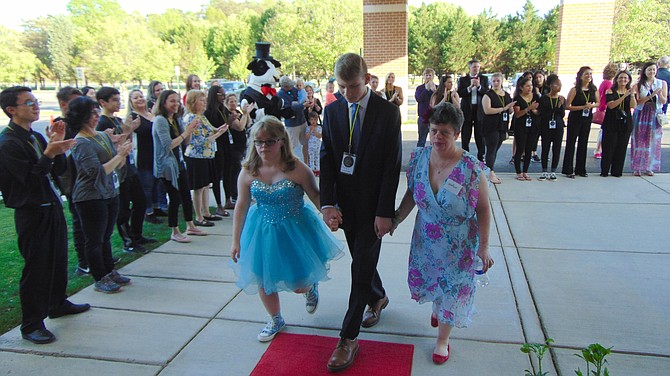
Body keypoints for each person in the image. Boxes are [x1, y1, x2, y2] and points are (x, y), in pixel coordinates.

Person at [392, 102, 492, 365]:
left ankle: (443, 339)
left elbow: (483, 209)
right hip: (425, 239)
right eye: (434, 130)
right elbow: (413, 194)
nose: (437, 137)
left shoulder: (471, 169)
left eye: (445, 132)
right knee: (432, 282)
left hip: (459, 245)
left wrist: (484, 247)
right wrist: (396, 219)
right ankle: (440, 307)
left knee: (452, 289)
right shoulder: (420, 159)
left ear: (457, 134)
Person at [320, 53, 402, 372]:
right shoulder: (333, 110)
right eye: (341, 87)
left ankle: (348, 337)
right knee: (362, 261)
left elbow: (391, 166)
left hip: (373, 208)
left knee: (360, 270)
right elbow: (327, 158)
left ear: (366, 80)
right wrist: (328, 203)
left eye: (353, 86)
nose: (347, 93)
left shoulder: (387, 112)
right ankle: (378, 296)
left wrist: (385, 213)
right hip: (345, 206)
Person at [230, 116, 343, 342]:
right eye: (258, 142)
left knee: (299, 283)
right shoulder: (249, 170)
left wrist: (330, 214)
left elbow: (316, 197)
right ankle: (275, 319)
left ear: (281, 141)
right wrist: (236, 240)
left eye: (269, 141)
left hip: (296, 230)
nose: (263, 147)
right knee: (264, 278)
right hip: (262, 231)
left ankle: (310, 288)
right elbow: (241, 205)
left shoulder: (297, 169)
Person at [0, 86, 90, 344]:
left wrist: (55, 147)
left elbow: (56, 170)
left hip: (50, 205)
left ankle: (57, 303)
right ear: (11, 110)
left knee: (58, 258)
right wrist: (50, 152)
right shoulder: (8, 143)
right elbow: (28, 179)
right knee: (36, 267)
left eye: (35, 101)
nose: (35, 106)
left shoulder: (34, 136)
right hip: (31, 212)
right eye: (28, 102)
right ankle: (31, 324)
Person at [69, 96, 134, 294]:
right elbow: (97, 172)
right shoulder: (80, 142)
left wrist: (122, 153)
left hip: (109, 192)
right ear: (81, 116)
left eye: (97, 112)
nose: (97, 116)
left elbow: (116, 165)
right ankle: (99, 276)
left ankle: (109, 270)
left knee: (106, 236)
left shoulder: (101, 136)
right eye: (92, 113)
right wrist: (119, 155)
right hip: (90, 196)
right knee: (94, 239)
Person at [96, 87, 148, 254]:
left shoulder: (117, 120)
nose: (118, 103)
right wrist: (127, 132)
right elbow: (110, 148)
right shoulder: (103, 123)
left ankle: (137, 234)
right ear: (103, 102)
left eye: (119, 99)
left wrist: (130, 130)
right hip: (119, 169)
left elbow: (126, 140)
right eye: (114, 100)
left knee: (140, 201)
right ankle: (128, 241)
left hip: (129, 166)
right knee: (124, 207)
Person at [152, 90, 208, 243]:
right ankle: (174, 230)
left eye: (177, 101)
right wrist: (186, 132)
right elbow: (168, 145)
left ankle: (190, 225)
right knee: (175, 198)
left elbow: (186, 142)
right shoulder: (160, 120)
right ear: (163, 103)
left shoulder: (175, 119)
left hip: (179, 163)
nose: (176, 104)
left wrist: (190, 130)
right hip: (167, 167)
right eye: (172, 101)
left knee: (185, 195)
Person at [54, 87, 90, 275]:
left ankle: (92, 258)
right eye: (77, 102)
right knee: (80, 221)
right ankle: (84, 262)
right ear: (64, 104)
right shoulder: (61, 125)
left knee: (91, 222)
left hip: (87, 179)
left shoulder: (79, 123)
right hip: (74, 181)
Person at [182, 89, 229, 226]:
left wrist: (220, 129)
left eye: (205, 100)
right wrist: (218, 135)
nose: (204, 103)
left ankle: (206, 212)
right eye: (201, 100)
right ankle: (199, 216)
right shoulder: (192, 118)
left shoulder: (201, 116)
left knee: (206, 185)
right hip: (196, 156)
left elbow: (211, 129)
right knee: (199, 187)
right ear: (193, 102)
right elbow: (198, 140)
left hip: (206, 155)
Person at [126, 89, 163, 228]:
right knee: (147, 185)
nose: (140, 99)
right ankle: (148, 212)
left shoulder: (150, 114)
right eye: (136, 98)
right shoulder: (134, 117)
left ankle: (157, 206)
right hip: (143, 155)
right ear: (131, 102)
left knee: (155, 183)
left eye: (141, 96)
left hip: (156, 154)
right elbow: (142, 132)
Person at [631, 61, 668, 176]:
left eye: (653, 69)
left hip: (655, 113)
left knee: (653, 140)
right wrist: (651, 96)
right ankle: (637, 167)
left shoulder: (662, 83)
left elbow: (664, 101)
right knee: (639, 140)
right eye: (649, 70)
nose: (652, 72)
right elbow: (638, 102)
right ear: (645, 71)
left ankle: (649, 167)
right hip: (642, 113)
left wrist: (659, 94)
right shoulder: (639, 84)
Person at [563, 66, 600, 178]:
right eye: (586, 74)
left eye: (590, 74)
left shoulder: (594, 89)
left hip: (587, 118)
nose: (589, 76)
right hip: (575, 118)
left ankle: (581, 169)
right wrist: (582, 107)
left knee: (583, 143)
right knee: (571, 143)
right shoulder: (574, 90)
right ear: (580, 76)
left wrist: (591, 106)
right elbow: (567, 106)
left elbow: (598, 103)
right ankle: (568, 169)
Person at [601, 70, 636, 177]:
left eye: (625, 78)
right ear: (616, 79)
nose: (623, 80)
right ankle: (605, 170)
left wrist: (632, 95)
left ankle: (617, 171)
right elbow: (611, 105)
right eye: (620, 77)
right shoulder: (610, 91)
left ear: (629, 80)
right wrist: (624, 96)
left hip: (625, 122)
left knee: (621, 147)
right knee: (609, 146)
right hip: (612, 122)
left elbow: (633, 106)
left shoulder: (630, 92)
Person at [481, 73, 515, 184]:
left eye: (498, 81)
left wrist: (510, 108)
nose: (495, 83)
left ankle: (489, 170)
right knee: (491, 149)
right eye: (494, 81)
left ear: (502, 82)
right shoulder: (488, 95)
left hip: (502, 125)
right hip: (491, 125)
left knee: (495, 149)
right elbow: (487, 110)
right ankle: (489, 172)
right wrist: (503, 108)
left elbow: (510, 110)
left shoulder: (506, 95)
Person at [204, 85, 231, 216]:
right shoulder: (209, 112)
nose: (224, 96)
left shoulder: (223, 109)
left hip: (226, 144)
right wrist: (221, 129)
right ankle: (219, 205)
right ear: (214, 95)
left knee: (228, 172)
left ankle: (228, 200)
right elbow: (211, 130)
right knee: (217, 175)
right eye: (221, 94)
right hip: (216, 146)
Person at [457, 59, 489, 161]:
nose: (476, 69)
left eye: (478, 67)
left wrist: (479, 86)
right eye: (474, 67)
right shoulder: (463, 80)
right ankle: (465, 156)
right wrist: (469, 87)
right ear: (469, 68)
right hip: (467, 110)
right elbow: (460, 93)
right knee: (466, 134)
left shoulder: (484, 79)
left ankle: (481, 156)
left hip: (479, 110)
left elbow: (487, 92)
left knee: (480, 134)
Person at [537, 75, 566, 181]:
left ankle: (553, 171)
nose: (558, 87)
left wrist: (560, 105)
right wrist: (556, 107)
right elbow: (543, 113)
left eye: (560, 85)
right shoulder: (544, 98)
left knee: (556, 148)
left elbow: (562, 114)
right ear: (550, 85)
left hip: (558, 126)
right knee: (545, 147)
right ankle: (544, 170)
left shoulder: (562, 99)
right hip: (546, 125)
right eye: (556, 84)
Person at [512, 77, 540, 181]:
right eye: (527, 86)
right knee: (520, 148)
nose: (530, 88)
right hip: (521, 126)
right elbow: (518, 114)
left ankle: (525, 171)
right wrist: (528, 108)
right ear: (521, 87)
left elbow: (538, 111)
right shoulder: (517, 98)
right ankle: (518, 171)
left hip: (533, 125)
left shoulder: (536, 96)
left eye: (531, 86)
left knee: (529, 148)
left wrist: (534, 110)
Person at [277, 76, 308, 161]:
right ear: (284, 86)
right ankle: (291, 164)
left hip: (302, 120)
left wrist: (297, 104)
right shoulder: (280, 95)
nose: (293, 87)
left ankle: (306, 162)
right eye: (290, 86)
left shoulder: (294, 90)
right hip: (292, 124)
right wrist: (301, 105)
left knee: (305, 143)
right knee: (292, 146)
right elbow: (288, 108)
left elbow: (300, 96)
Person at [593, 63, 619, 159]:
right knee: (604, 130)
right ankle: (599, 149)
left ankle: (599, 149)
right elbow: (605, 97)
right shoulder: (609, 84)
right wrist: (603, 108)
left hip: (602, 107)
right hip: (604, 108)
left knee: (603, 130)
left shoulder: (604, 82)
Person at [415, 68, 437, 147]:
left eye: (430, 75)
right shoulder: (419, 88)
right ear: (423, 76)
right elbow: (419, 99)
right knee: (421, 140)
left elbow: (439, 100)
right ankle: (419, 157)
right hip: (423, 116)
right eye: (426, 75)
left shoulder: (437, 87)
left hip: (434, 116)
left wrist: (434, 91)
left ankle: (434, 157)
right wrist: (426, 89)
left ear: (433, 77)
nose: (428, 77)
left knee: (435, 139)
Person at [305, 111, 322, 176]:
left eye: (315, 119)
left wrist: (315, 131)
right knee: (311, 158)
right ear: (309, 120)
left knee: (317, 157)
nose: (313, 121)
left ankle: (317, 169)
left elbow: (319, 136)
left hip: (317, 146)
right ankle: (312, 170)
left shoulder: (319, 128)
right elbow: (307, 137)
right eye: (312, 120)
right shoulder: (308, 128)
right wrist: (310, 131)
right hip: (311, 146)